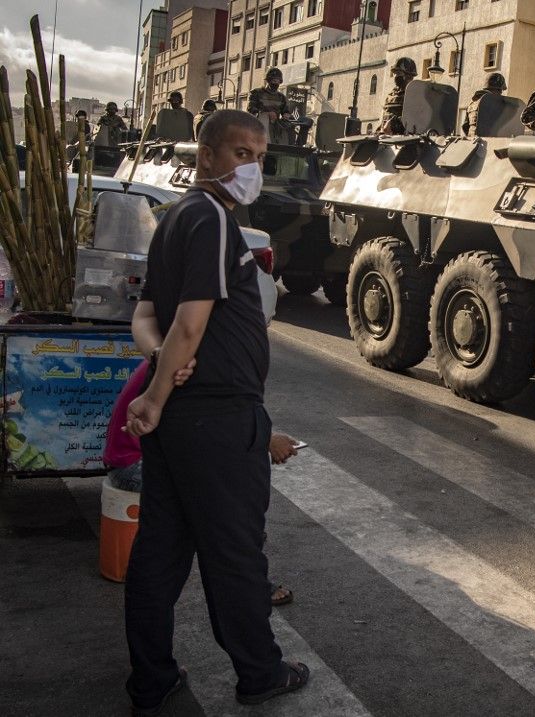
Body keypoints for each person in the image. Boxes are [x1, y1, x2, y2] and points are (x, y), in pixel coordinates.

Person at [123, 109, 309, 714]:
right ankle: (260, 674)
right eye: (239, 153)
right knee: (234, 555)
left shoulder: (174, 217)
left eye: (258, 155)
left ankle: (151, 680)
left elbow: (146, 321)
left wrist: (160, 368)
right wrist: (155, 393)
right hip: (217, 420)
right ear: (206, 155)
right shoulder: (209, 219)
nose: (250, 166)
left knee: (159, 554)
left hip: (184, 416)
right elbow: (189, 320)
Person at [104, 359, 296, 606]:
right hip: (132, 464)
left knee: (229, 497)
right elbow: (212, 427)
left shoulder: (183, 359)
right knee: (225, 508)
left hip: (144, 457)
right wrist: (267, 441)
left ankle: (243, 559)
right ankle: (250, 579)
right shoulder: (184, 366)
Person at [247, 68, 290, 144]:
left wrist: (286, 115)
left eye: (278, 81)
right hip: (259, 124)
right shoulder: (257, 93)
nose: (275, 83)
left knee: (290, 125)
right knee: (264, 118)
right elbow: (251, 109)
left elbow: (286, 111)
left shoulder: (281, 97)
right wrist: (266, 114)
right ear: (268, 81)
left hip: (275, 125)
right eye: (273, 81)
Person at [377, 57, 417, 135]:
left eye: (398, 73)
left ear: (408, 75)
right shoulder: (391, 95)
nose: (395, 76)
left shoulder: (415, 96)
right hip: (386, 139)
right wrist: (379, 131)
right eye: (394, 73)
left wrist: (394, 125)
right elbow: (384, 117)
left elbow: (414, 123)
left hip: (404, 140)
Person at [463, 72, 507, 137]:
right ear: (498, 89)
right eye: (500, 90)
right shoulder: (494, 103)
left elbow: (465, 126)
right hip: (488, 143)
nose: (501, 93)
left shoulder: (473, 102)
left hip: (472, 142)